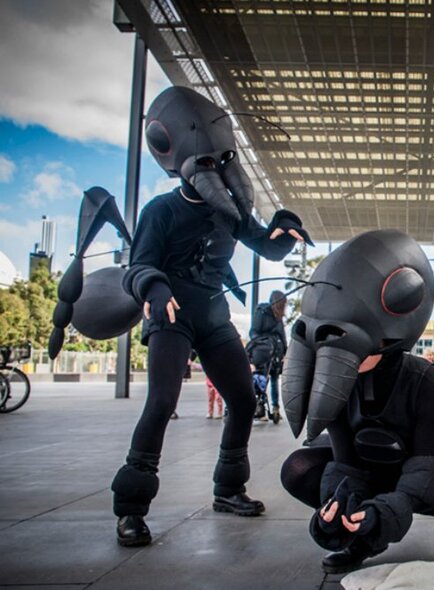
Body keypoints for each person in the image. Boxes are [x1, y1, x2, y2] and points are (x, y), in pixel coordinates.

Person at [111, 86, 312, 548]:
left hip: (215, 315)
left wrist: (285, 227)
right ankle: (130, 510)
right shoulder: (160, 211)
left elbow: (267, 244)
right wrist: (155, 287)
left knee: (243, 400)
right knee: (161, 403)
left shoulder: (233, 214)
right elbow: (137, 267)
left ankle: (228, 489)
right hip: (171, 315)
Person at [279, 230, 434, 577]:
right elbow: (344, 459)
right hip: (373, 467)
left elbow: (423, 467)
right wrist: (340, 508)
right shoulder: (337, 381)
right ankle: (360, 537)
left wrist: (393, 508)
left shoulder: (424, 379)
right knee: (298, 468)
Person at [248, 290, 288, 423]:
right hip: (264, 350)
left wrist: (285, 353)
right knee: (264, 380)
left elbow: (282, 336)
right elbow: (254, 332)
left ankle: (272, 407)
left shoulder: (275, 316)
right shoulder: (263, 311)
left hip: (274, 351)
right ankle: (263, 406)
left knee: (270, 380)